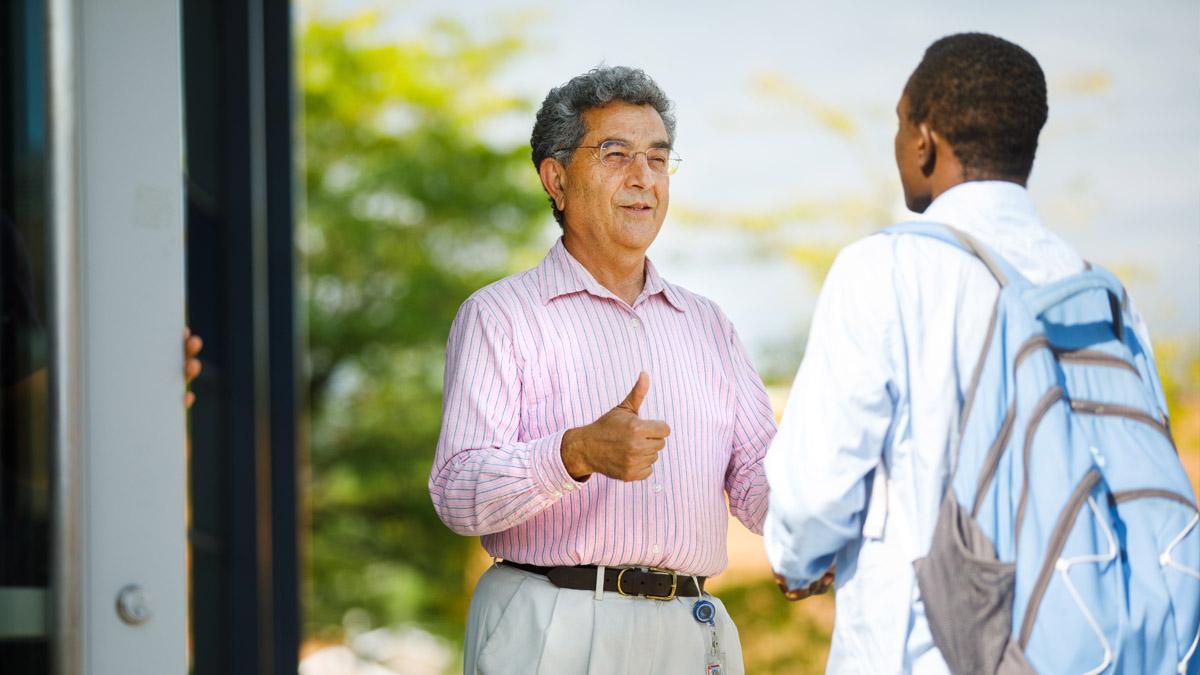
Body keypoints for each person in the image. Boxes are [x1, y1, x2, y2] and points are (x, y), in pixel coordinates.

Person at [763, 33, 1165, 672]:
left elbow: (815, 494)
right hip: (1088, 643)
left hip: (934, 650)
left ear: (924, 139)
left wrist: (794, 560)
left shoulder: (884, 268)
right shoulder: (1103, 292)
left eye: (898, 124)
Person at [428, 66, 776, 674]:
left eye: (658, 158)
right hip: (552, 623)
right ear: (555, 178)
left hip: (692, 631)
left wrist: (832, 523)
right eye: (615, 154)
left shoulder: (709, 325)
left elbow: (755, 481)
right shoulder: (499, 316)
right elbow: (458, 492)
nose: (643, 179)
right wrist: (575, 454)